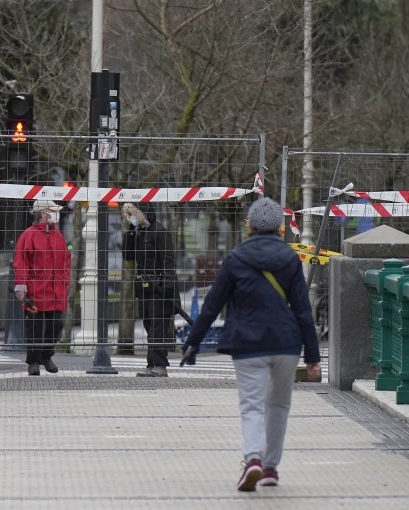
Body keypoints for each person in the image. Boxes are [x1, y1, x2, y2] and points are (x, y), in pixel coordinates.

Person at [181, 196, 321, 492]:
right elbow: (302, 310)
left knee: (252, 405)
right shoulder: (290, 259)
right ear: (280, 229)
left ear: (249, 227)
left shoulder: (235, 259)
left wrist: (192, 343)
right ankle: (270, 468)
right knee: (279, 405)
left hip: (247, 344)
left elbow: (212, 305)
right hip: (285, 343)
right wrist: (312, 356)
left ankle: (253, 459)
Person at [13, 199, 71, 376]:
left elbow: (66, 261)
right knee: (34, 328)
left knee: (56, 325)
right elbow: (21, 262)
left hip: (55, 290)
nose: (56, 214)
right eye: (52, 211)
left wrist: (65, 281)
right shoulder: (29, 235)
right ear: (43, 213)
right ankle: (34, 361)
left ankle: (46, 355)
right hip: (35, 290)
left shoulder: (57, 236)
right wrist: (21, 287)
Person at [122, 202, 178, 377]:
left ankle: (159, 365)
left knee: (158, 327)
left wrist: (167, 285)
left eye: (133, 214)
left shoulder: (160, 232)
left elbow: (168, 260)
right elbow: (128, 255)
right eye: (128, 215)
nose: (131, 218)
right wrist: (130, 231)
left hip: (159, 287)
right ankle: (152, 363)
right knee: (149, 325)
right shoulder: (138, 232)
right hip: (145, 287)